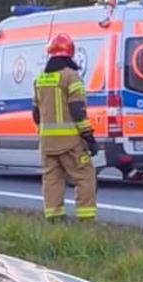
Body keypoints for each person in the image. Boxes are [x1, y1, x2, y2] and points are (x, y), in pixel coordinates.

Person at [32, 33, 99, 221]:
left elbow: (36, 113)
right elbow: (78, 110)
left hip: (47, 143)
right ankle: (86, 220)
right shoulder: (71, 77)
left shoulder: (40, 79)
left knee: (52, 180)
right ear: (70, 54)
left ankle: (54, 220)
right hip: (70, 142)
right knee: (85, 177)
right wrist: (89, 137)